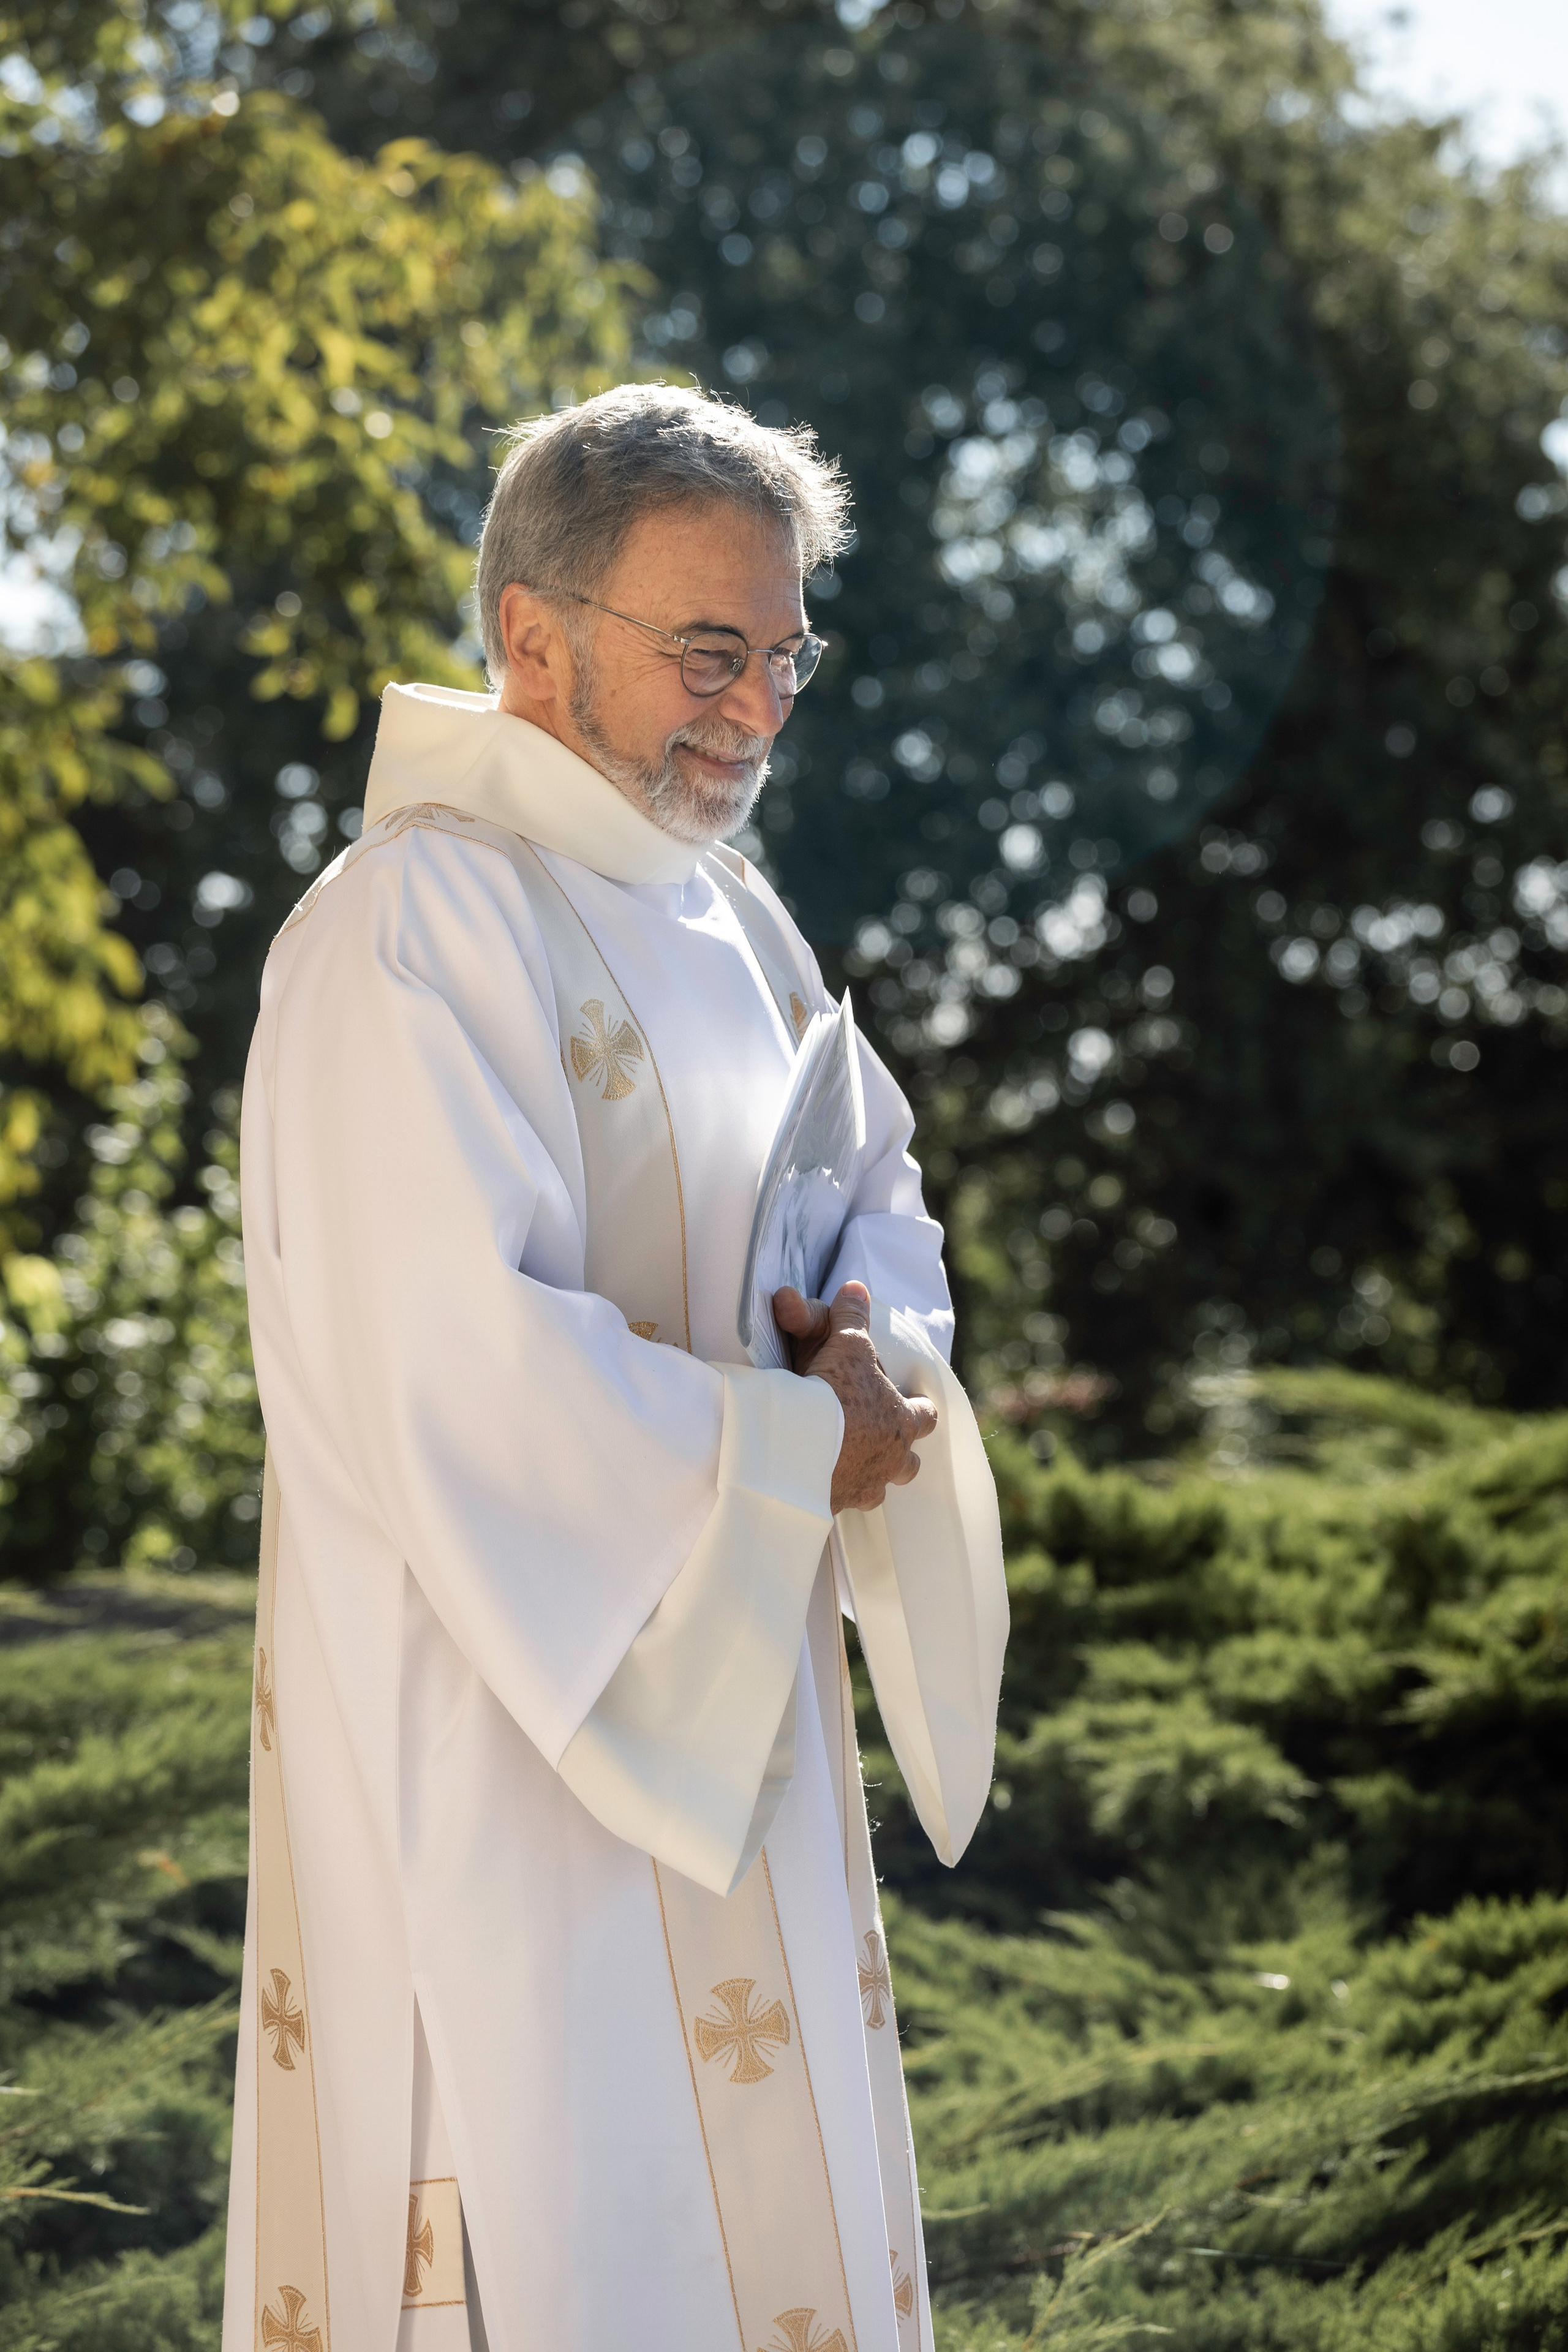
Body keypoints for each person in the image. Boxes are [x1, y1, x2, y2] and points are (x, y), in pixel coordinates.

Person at [223, 383, 1006, 2352]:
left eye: (787, 652)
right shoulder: (406, 928)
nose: (755, 709)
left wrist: (879, 1354)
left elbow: (870, 1181)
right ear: (531, 636)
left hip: (742, 1718)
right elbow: (451, 1370)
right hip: (508, 1740)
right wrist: (777, 1448)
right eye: (709, 653)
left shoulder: (732, 917)